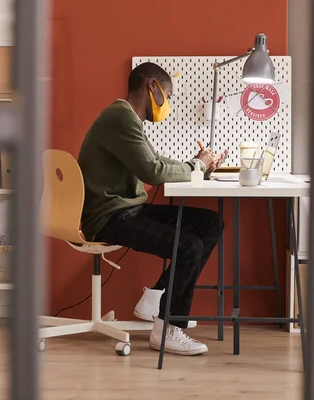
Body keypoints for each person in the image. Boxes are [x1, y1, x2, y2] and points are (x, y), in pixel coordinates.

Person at [77, 62, 228, 356]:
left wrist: (197, 166)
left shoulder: (126, 117)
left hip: (127, 210)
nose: (167, 103)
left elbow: (156, 161)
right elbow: (154, 171)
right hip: (109, 217)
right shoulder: (120, 118)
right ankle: (168, 328)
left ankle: (155, 299)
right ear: (152, 87)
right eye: (167, 95)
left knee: (211, 223)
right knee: (189, 247)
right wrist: (196, 166)